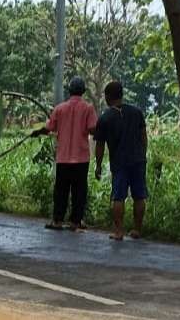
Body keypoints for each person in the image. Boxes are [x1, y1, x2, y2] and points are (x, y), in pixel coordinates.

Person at [30, 77, 97, 231]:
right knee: (79, 191)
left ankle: (58, 221)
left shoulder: (60, 108)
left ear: (69, 90)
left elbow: (49, 128)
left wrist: (37, 132)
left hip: (63, 157)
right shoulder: (88, 108)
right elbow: (93, 129)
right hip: (81, 158)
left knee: (61, 190)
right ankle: (76, 222)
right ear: (83, 91)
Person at [94, 81, 148, 241]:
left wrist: (98, 165)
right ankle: (137, 229)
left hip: (119, 162)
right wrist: (142, 154)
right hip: (138, 160)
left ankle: (118, 231)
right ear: (122, 94)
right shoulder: (137, 112)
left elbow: (100, 145)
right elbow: (144, 136)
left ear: (108, 96)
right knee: (139, 196)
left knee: (118, 197)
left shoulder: (105, 118)